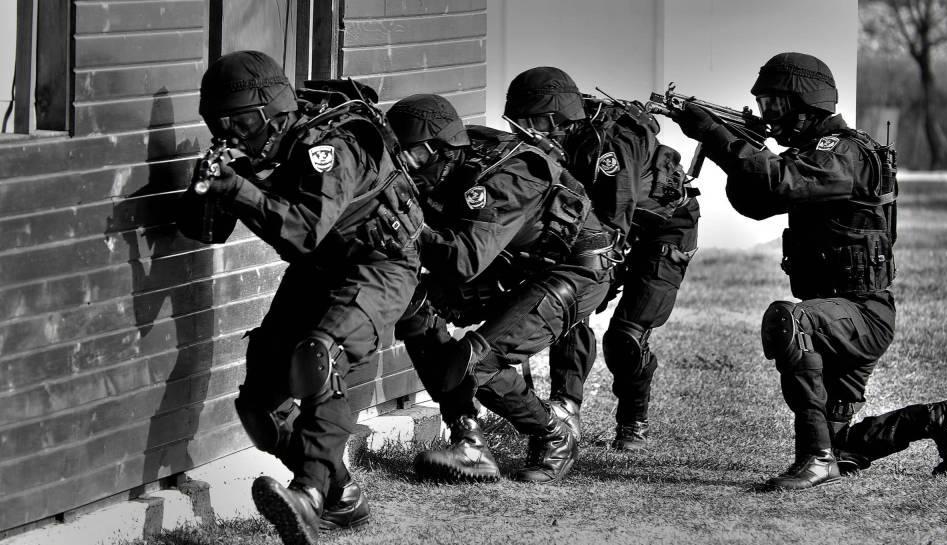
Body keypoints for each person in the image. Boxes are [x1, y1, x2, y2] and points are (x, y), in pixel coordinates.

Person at [667, 51, 947, 490]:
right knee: (842, 444)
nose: (768, 114)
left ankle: (815, 459)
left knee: (788, 320)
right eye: (764, 104)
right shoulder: (814, 154)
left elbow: (777, 182)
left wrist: (716, 135)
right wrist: (731, 142)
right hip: (836, 317)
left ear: (806, 104)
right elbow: (757, 201)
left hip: (860, 315)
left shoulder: (843, 152)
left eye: (775, 104)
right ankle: (939, 419)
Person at [177, 51, 422, 544]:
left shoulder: (330, 146)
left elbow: (304, 232)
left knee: (319, 358)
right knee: (261, 410)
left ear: (273, 112)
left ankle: (308, 495)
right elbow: (204, 232)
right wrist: (209, 187)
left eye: (242, 123)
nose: (233, 134)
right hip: (320, 269)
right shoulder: (259, 149)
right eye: (219, 124)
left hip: (379, 265)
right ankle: (340, 493)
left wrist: (238, 188)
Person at [386, 93, 617, 483]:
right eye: (400, 155)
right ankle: (468, 441)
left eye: (415, 156)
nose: (407, 166)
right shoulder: (455, 158)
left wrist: (404, 225)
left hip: (575, 271)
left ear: (442, 149)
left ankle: (553, 435)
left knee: (479, 361)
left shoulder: (508, 176)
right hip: (514, 265)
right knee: (415, 306)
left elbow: (462, 261)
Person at [503, 67, 700, 451]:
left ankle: (633, 420)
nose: (521, 132)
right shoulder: (556, 142)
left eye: (528, 123)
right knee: (569, 304)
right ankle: (565, 408)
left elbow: (614, 216)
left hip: (663, 229)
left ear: (552, 118)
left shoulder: (610, 145)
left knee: (626, 336)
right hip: (605, 226)